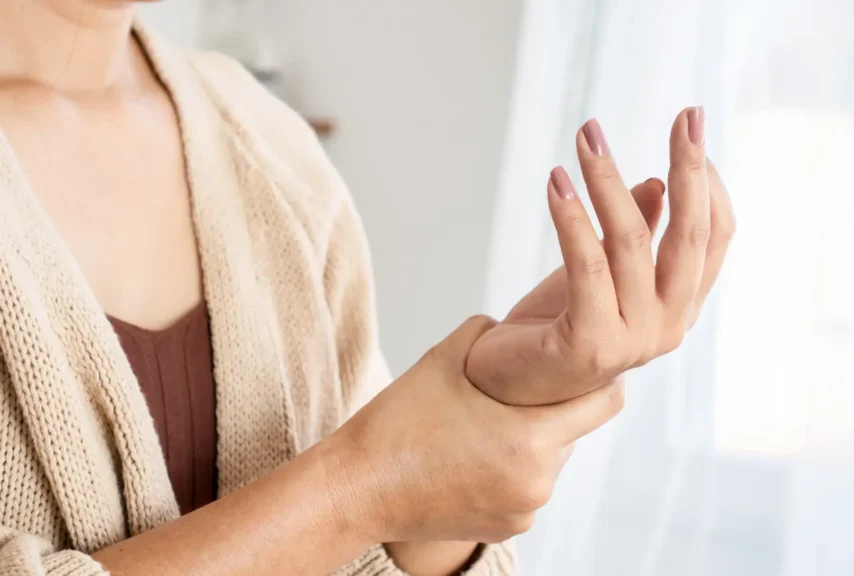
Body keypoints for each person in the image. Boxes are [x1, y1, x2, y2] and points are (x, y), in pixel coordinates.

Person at [0, 1, 734, 575]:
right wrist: (363, 486)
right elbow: (364, 489)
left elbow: (372, 547)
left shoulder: (267, 143)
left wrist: (483, 418)